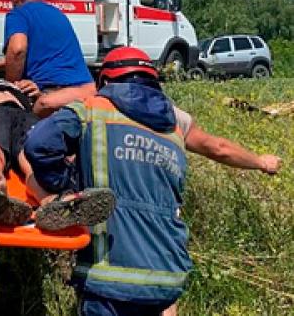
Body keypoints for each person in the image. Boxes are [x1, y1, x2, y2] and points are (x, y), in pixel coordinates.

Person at [23, 46, 282, 316]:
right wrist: (261, 161)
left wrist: (66, 183)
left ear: (106, 81)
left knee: (34, 174)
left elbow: (39, 144)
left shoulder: (92, 108)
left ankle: (57, 200)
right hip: (167, 274)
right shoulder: (174, 124)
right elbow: (218, 147)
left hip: (109, 275)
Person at [0, 75, 115, 229]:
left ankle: (53, 204)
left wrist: (35, 90)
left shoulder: (14, 84)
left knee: (32, 158)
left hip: (24, 114)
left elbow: (42, 102)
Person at [0, 0, 96, 118]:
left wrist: (11, 87)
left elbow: (17, 50)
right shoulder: (58, 14)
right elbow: (33, 52)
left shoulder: (18, 14)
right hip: (86, 91)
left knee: (20, 125)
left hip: (52, 97)